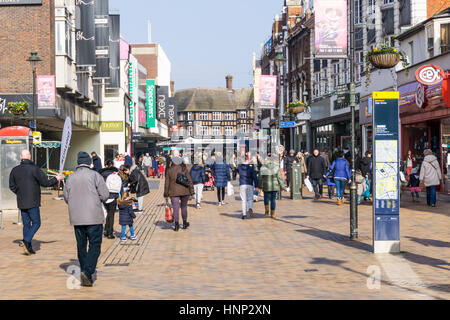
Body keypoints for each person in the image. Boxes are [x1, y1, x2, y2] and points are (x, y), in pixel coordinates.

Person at [63, 151, 110, 287]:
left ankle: (85, 272)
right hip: (94, 216)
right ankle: (88, 271)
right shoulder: (95, 175)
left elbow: (66, 197)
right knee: (95, 245)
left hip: (77, 218)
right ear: (89, 162)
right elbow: (105, 194)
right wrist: (96, 200)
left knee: (81, 246)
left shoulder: (71, 177)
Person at [9, 150, 64, 255]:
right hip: (33, 201)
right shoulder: (35, 169)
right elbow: (45, 183)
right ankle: (26, 240)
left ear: (21, 157)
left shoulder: (14, 170)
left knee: (26, 224)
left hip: (21, 201)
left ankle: (28, 248)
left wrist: (19, 193)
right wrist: (56, 179)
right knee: (36, 222)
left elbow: (11, 186)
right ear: (29, 156)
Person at [164, 151, 194, 231]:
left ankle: (176, 225)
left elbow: (166, 183)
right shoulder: (184, 169)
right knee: (184, 207)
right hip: (185, 191)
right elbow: (190, 180)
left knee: (176, 208)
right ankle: (184, 223)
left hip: (173, 192)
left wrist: (166, 194)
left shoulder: (169, 170)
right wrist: (192, 191)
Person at [258, 154, 286, 219]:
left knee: (266, 199)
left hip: (266, 185)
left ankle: (267, 212)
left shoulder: (263, 167)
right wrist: (282, 186)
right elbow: (280, 178)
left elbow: (260, 177)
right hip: (274, 186)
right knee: (273, 200)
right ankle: (273, 213)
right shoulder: (276, 167)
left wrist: (260, 185)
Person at [99, 160, 121, 239]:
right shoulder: (115, 173)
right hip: (113, 196)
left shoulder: (100, 174)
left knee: (106, 213)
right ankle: (110, 233)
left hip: (104, 196)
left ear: (105, 165)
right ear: (113, 165)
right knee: (111, 215)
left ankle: (105, 229)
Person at [238, 154, 258, 219]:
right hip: (249, 184)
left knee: (243, 199)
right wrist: (256, 185)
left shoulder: (240, 166)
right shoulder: (251, 167)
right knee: (250, 198)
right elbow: (254, 176)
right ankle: (250, 208)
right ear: (248, 159)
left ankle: (244, 215)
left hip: (242, 184)